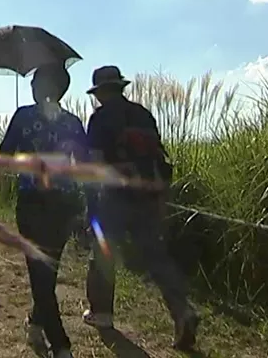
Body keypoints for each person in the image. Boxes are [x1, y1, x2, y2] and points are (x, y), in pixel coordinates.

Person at [81, 65, 201, 351]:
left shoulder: (99, 119)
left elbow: (95, 164)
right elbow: (159, 157)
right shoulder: (143, 114)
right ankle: (182, 311)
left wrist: (91, 205)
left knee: (103, 254)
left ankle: (102, 314)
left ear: (99, 92)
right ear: (120, 87)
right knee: (157, 258)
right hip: (148, 194)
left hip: (114, 196)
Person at [0, 63, 88, 358]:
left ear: (42, 86)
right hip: (64, 204)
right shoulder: (73, 121)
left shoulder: (24, 116)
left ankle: (61, 345)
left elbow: (5, 155)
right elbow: (83, 162)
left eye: (35, 80)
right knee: (47, 272)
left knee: (41, 276)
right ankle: (36, 324)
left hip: (32, 202)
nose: (32, 85)